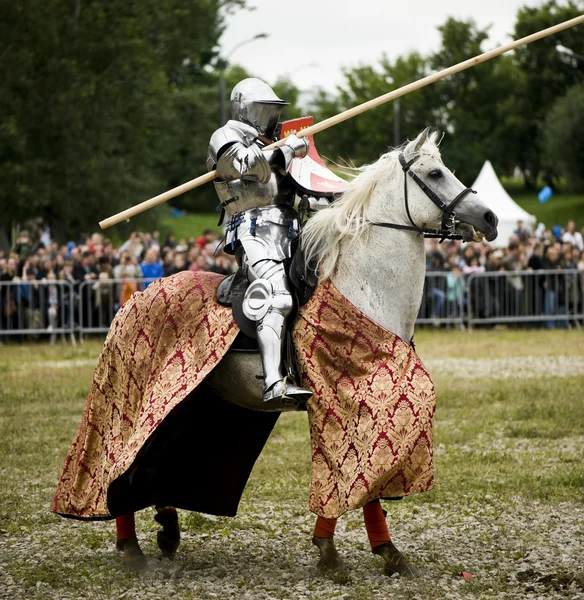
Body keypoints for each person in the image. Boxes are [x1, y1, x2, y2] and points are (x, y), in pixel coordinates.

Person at [207, 78, 312, 407]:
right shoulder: (225, 136)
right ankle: (273, 383)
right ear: (246, 110)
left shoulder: (276, 139)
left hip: (292, 228)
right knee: (278, 296)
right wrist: (288, 149)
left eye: (274, 111)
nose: (271, 117)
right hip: (252, 229)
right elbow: (249, 167)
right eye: (266, 110)